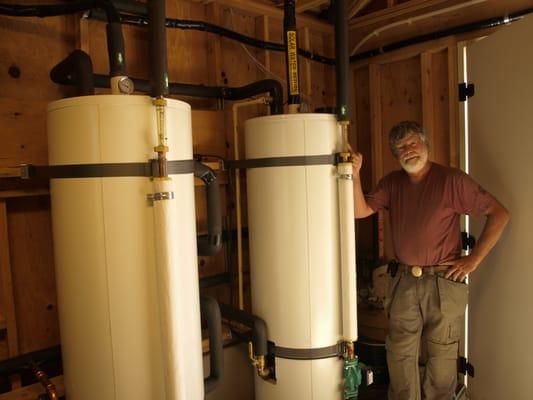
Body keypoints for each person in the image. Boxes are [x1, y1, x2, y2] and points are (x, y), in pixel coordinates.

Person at [352, 121, 509, 400]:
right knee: (400, 354)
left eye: (413, 143)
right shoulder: (391, 183)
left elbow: (499, 214)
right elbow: (360, 210)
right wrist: (354, 175)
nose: (408, 150)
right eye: (401, 147)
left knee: (442, 355)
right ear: (395, 155)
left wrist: (473, 260)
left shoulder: (451, 180)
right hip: (401, 281)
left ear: (425, 144)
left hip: (443, 282)